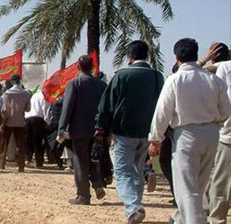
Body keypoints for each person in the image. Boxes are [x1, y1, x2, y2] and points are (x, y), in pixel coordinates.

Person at [148, 38, 230, 224]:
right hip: (211, 135)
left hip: (186, 135)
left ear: (177, 56)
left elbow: (162, 112)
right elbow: (225, 111)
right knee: (199, 186)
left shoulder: (175, 80)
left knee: (186, 189)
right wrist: (214, 125)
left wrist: (155, 139)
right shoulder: (214, 80)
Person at [96, 40, 164, 223]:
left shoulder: (122, 75)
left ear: (130, 56)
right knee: (137, 169)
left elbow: (106, 104)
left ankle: (134, 207)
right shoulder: (158, 77)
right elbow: (163, 106)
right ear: (146, 56)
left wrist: (102, 126)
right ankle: (135, 206)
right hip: (147, 132)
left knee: (122, 170)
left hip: (124, 132)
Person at [58, 55, 107, 205]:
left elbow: (67, 107)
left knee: (80, 161)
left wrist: (61, 127)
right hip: (97, 129)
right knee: (93, 158)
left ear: (78, 67)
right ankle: (98, 183)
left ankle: (83, 195)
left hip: (79, 129)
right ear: (92, 67)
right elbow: (105, 107)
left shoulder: (74, 83)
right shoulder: (102, 85)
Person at [208, 59, 231, 224]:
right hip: (226, 133)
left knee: (221, 182)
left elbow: (218, 97)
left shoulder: (226, 67)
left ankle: (216, 219)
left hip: (227, 134)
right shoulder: (225, 67)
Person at [0, 74, 31, 172]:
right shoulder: (26, 94)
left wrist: (3, 121)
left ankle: (1, 164)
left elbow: (3, 110)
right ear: (20, 81)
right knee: (20, 145)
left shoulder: (7, 94)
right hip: (20, 122)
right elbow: (28, 109)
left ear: (11, 82)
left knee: (4, 144)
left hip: (8, 122)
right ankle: (21, 165)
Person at [25, 90, 51, 168]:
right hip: (37, 120)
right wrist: (48, 123)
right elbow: (46, 110)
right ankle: (39, 162)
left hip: (28, 118)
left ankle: (28, 160)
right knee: (38, 142)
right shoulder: (45, 97)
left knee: (29, 140)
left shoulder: (35, 95)